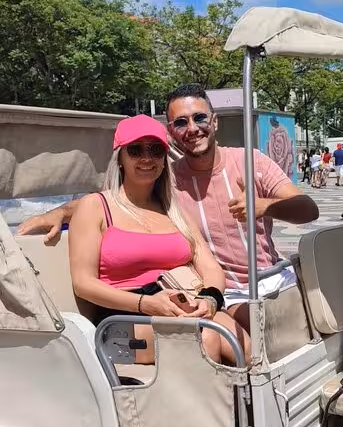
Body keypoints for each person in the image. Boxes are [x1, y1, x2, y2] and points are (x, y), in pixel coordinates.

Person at [17, 84, 319, 339]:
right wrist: (56, 212)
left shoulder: (248, 162)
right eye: (181, 123)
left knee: (314, 318)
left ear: (214, 122)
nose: (192, 129)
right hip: (215, 295)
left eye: (200, 118)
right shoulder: (168, 181)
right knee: (238, 335)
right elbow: (115, 201)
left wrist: (262, 205)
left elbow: (308, 210)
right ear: (172, 132)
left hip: (266, 280)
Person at [69, 114, 248, 365]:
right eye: (135, 150)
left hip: (181, 304)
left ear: (164, 159)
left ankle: (245, 404)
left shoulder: (173, 210)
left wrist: (209, 299)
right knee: (206, 338)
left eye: (155, 150)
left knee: (245, 345)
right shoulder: (95, 207)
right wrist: (147, 304)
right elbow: (83, 283)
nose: (146, 158)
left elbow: (209, 266)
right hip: (124, 317)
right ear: (120, 158)